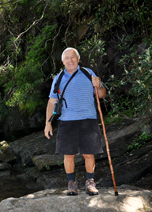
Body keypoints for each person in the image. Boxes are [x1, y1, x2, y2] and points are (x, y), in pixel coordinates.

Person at [44, 47, 106, 196]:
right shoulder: (58, 78)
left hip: (88, 120)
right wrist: (48, 123)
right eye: (67, 58)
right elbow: (52, 102)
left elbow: (102, 95)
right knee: (68, 155)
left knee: (89, 154)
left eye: (73, 57)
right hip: (67, 121)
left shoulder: (88, 73)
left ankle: (90, 182)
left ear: (78, 59)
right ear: (63, 61)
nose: (70, 60)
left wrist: (99, 85)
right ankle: (71, 183)